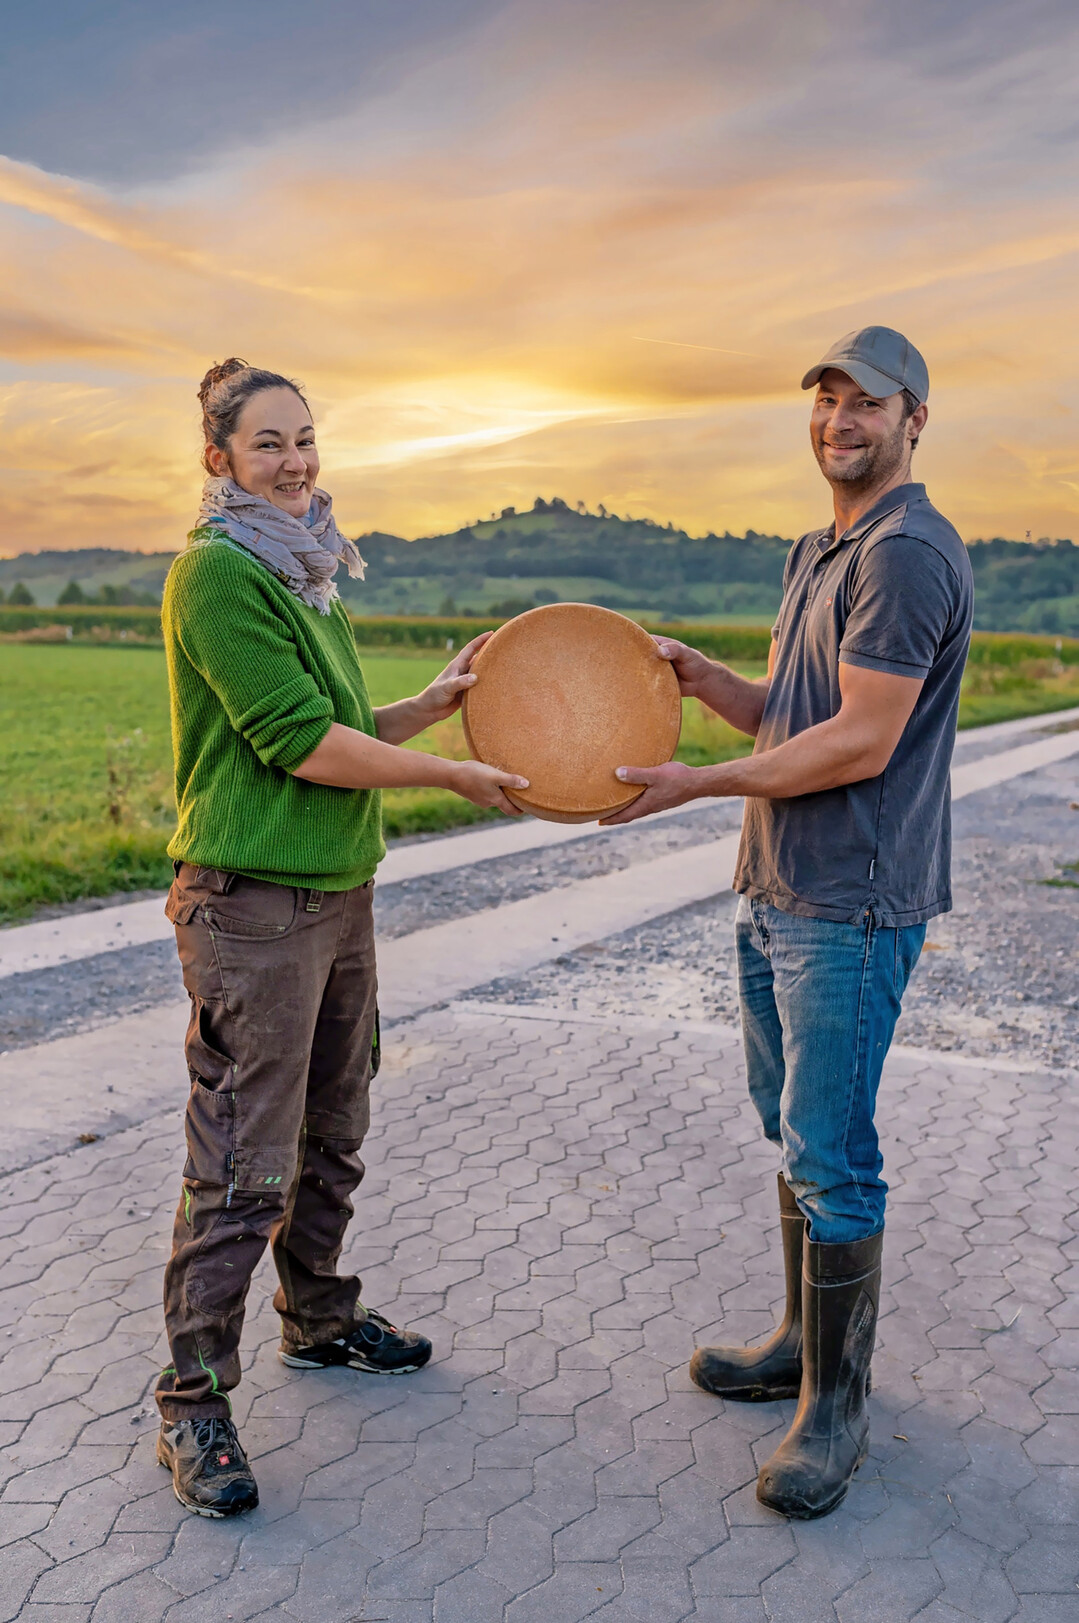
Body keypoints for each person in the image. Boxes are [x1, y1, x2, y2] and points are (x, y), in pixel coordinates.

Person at [605, 327, 973, 1518]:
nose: (837, 421)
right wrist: (702, 679)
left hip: (849, 900)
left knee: (831, 1148)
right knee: (790, 1127)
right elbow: (792, 715)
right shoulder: (818, 550)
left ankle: (837, 1411)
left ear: (914, 417)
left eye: (862, 401)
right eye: (822, 400)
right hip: (775, 887)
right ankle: (794, 1346)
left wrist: (691, 785)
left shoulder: (907, 551)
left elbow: (861, 740)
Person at [155, 358, 528, 1518]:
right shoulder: (218, 573)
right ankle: (192, 1406)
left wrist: (428, 707)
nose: (296, 461)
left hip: (336, 892)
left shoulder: (306, 569)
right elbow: (296, 744)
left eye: (306, 439)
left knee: (334, 1128)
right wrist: (445, 772)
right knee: (242, 1166)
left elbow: (344, 723)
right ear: (219, 459)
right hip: (252, 907)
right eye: (268, 444)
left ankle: (317, 1320)